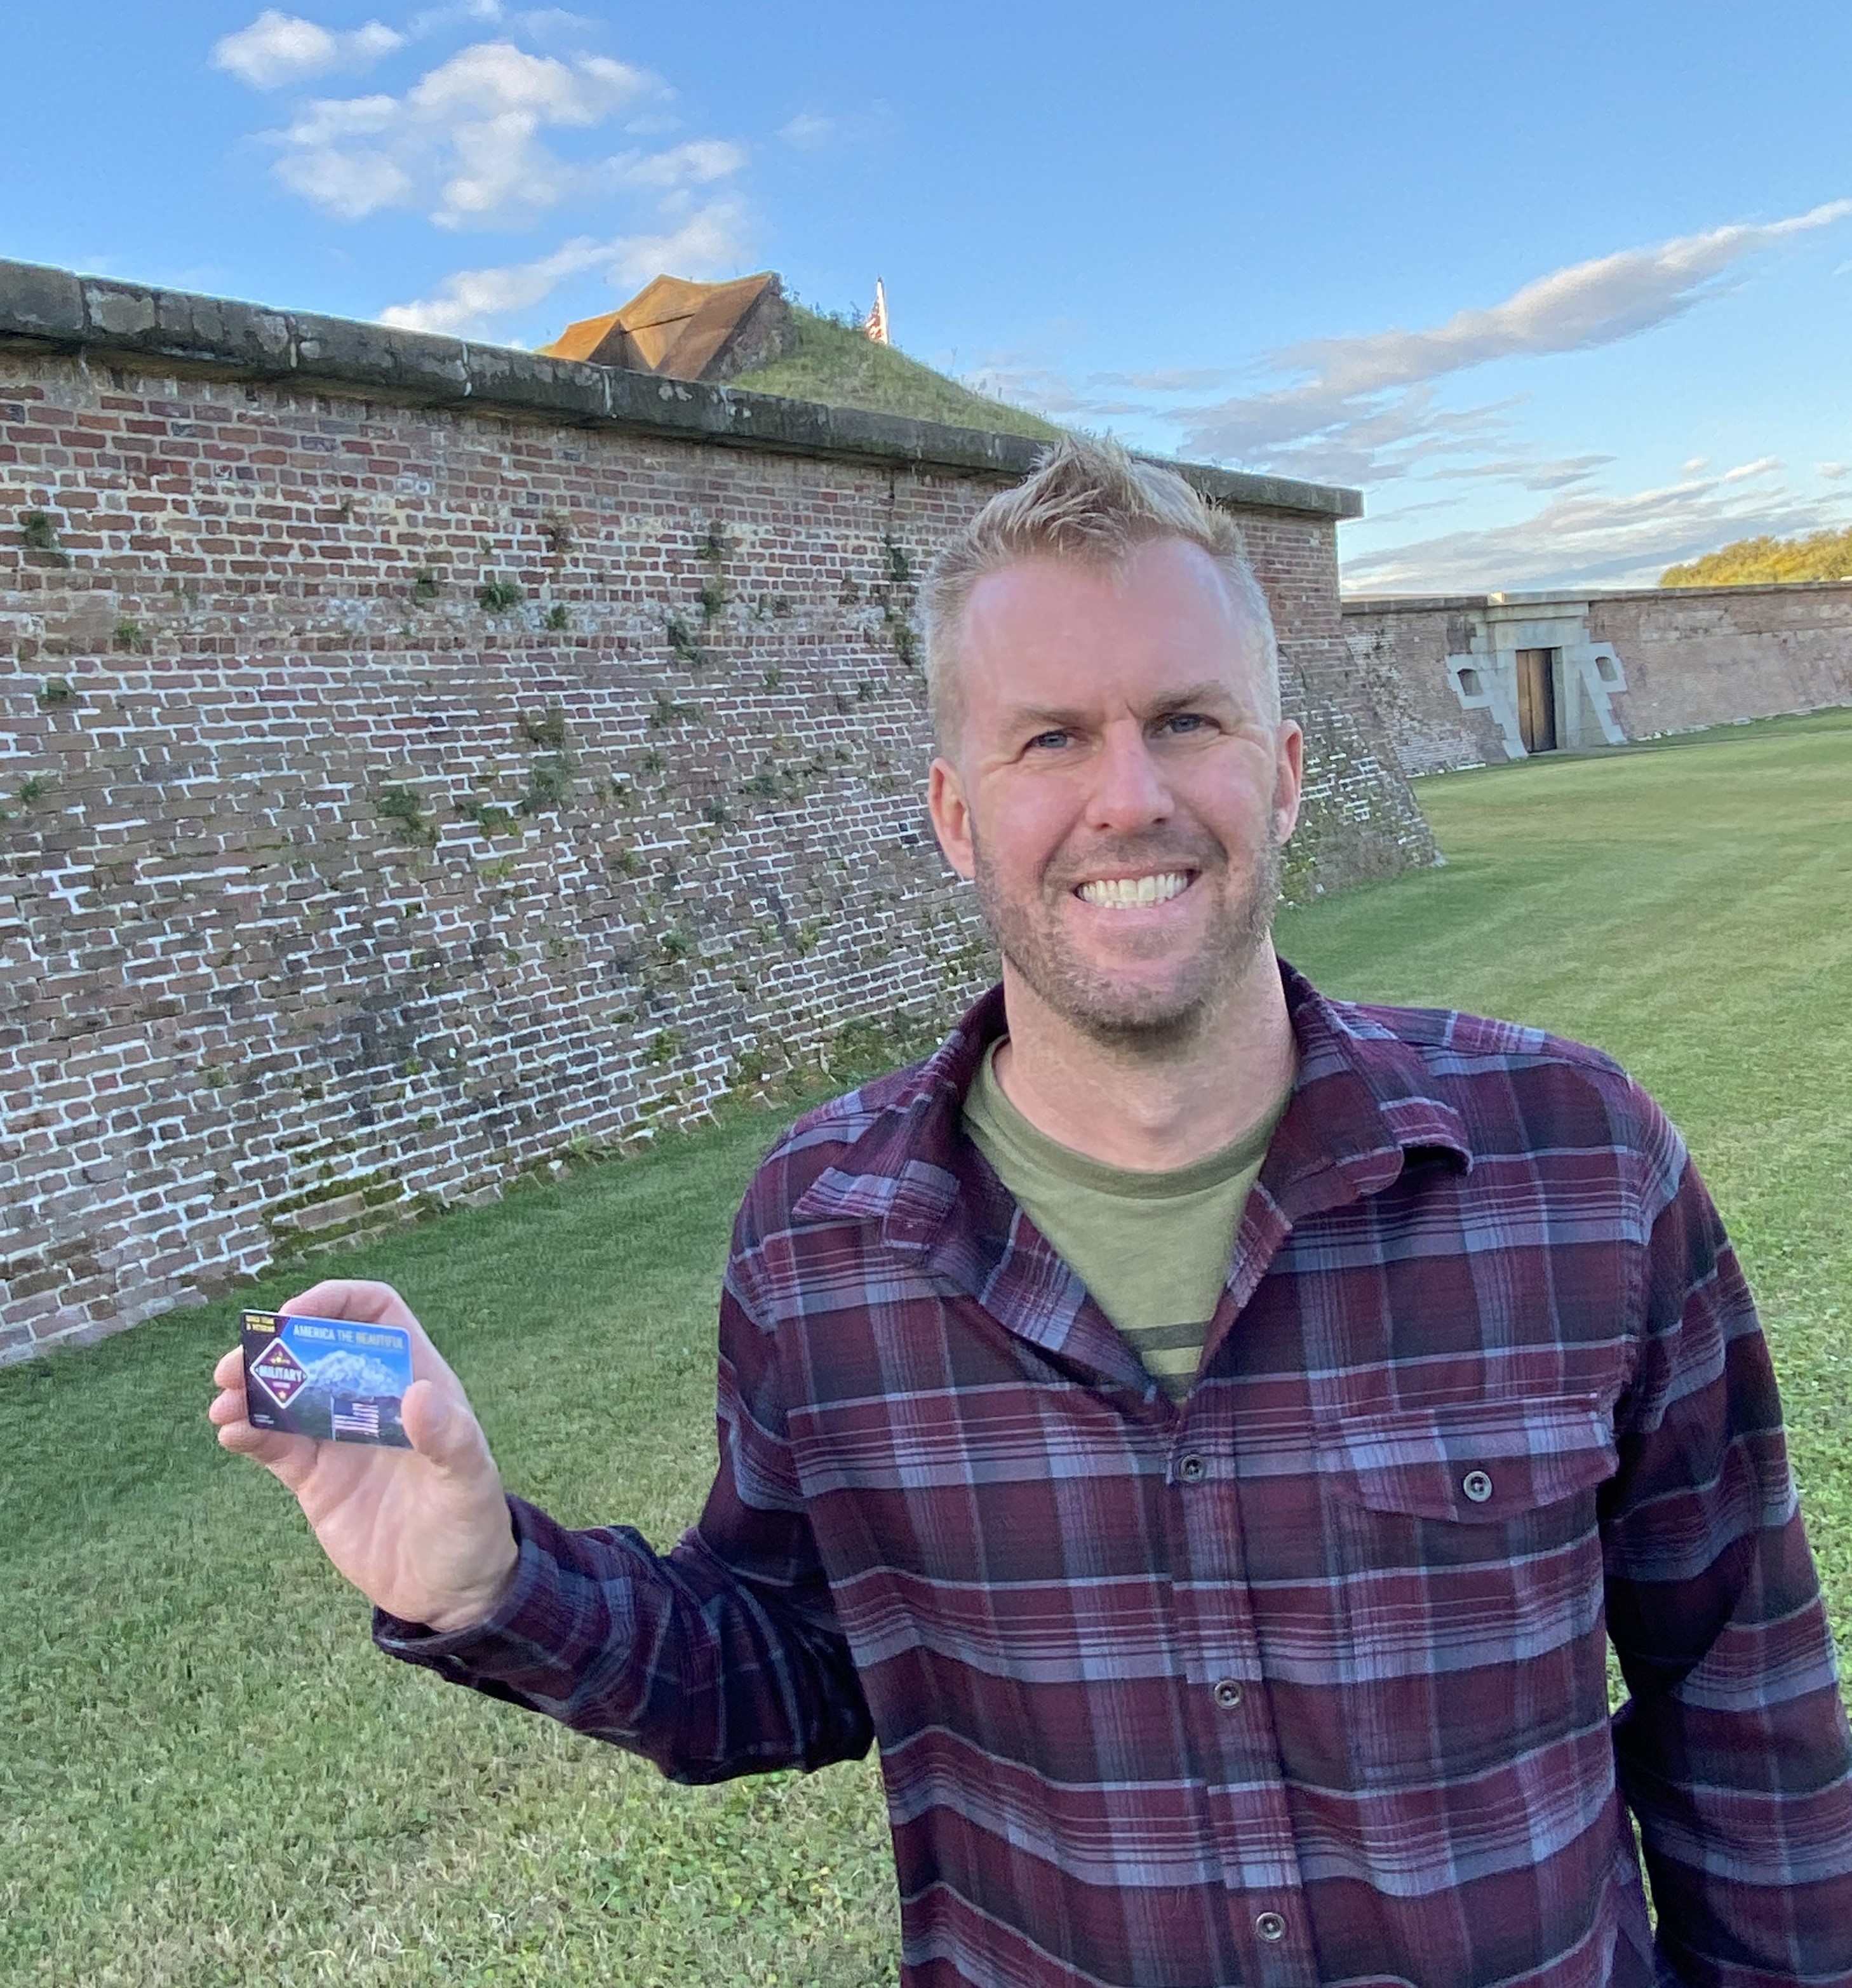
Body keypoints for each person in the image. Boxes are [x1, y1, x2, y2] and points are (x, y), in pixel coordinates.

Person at [211, 438, 1852, 1988]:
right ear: (954, 814)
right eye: (1049, 736)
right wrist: (488, 1575)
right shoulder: (821, 1238)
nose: (1125, 795)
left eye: (1186, 719)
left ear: (1282, 774)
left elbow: (1740, 1688)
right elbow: (784, 1652)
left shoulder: (1572, 1159)